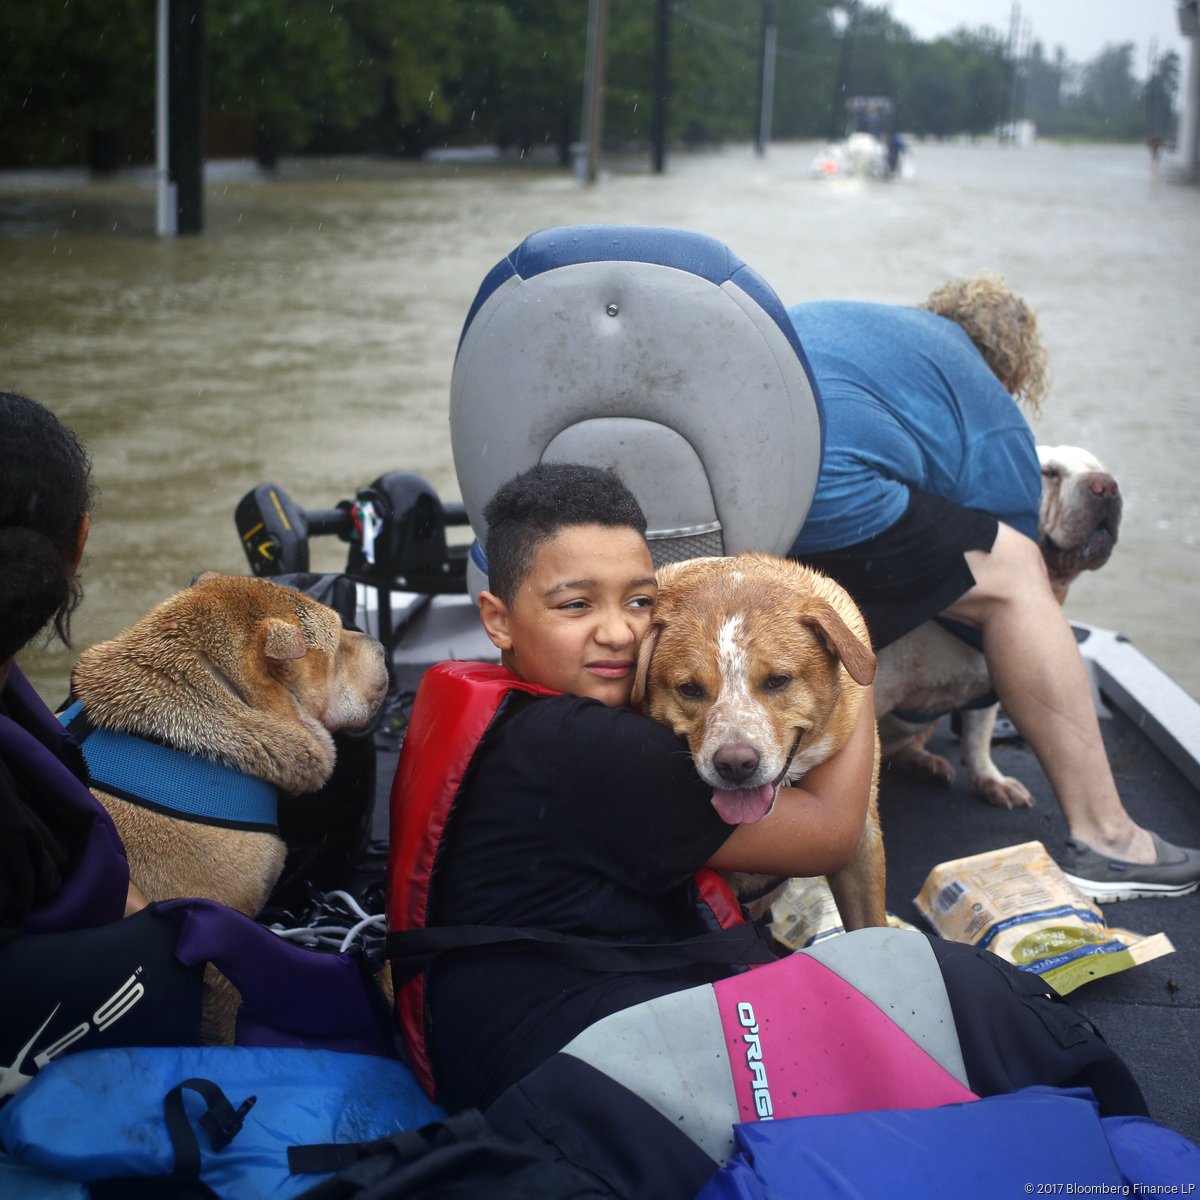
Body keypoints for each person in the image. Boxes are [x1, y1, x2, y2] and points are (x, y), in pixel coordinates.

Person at [409, 462, 1146, 1126]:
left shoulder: (516, 713)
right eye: (574, 606)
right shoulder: (597, 753)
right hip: (563, 1066)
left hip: (502, 1023)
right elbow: (833, 834)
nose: (621, 635)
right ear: (498, 620)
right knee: (980, 997)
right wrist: (844, 654)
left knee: (943, 990)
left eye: (638, 601)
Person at [785, 276, 1200, 901]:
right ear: (1012, 367)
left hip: (744, 478)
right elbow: (1012, 555)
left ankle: (777, 815)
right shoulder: (985, 402)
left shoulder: (879, 336)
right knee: (1014, 575)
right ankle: (1110, 840)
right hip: (832, 489)